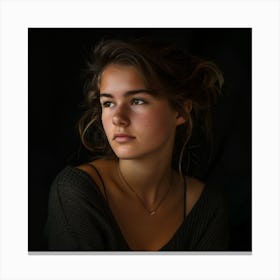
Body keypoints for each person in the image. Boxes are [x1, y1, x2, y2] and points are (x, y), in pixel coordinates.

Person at [44, 38, 229, 251]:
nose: (118, 118)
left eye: (137, 101)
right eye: (108, 103)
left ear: (180, 111)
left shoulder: (206, 207)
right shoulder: (76, 192)